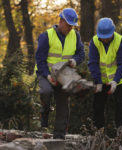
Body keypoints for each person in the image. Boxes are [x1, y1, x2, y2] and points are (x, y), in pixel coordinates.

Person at [35, 8, 85, 139]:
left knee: (63, 103)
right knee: (45, 91)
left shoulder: (76, 35)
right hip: (45, 72)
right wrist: (48, 75)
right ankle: (45, 111)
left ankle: (59, 137)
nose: (70, 28)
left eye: (72, 26)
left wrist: (75, 60)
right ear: (61, 21)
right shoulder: (46, 36)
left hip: (64, 74)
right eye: (68, 25)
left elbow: (81, 53)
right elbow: (40, 60)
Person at [88, 17, 122, 129]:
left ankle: (120, 135)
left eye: (107, 37)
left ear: (113, 32)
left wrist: (115, 81)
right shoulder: (94, 41)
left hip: (120, 79)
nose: (105, 40)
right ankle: (99, 134)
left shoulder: (121, 41)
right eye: (103, 37)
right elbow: (93, 63)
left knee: (120, 106)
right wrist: (98, 81)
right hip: (101, 80)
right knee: (98, 106)